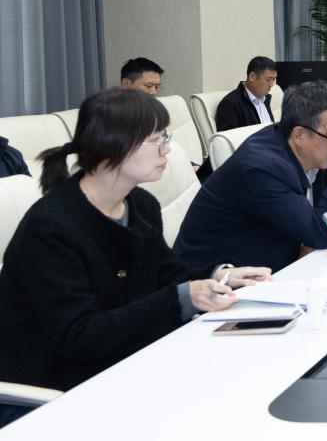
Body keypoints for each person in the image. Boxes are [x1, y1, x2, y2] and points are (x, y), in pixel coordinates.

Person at [0, 89, 269, 419]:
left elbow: (169, 277)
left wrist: (218, 275)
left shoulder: (141, 205)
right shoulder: (52, 228)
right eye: (156, 140)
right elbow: (79, 336)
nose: (167, 149)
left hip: (127, 367)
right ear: (113, 145)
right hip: (56, 393)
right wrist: (182, 297)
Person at [175, 81, 327, 273]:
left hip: (274, 269)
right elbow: (322, 232)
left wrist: (316, 237)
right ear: (299, 135)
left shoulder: (318, 149)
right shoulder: (261, 169)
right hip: (215, 281)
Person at [213, 56, 278, 131]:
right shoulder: (230, 104)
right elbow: (228, 137)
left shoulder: (264, 99)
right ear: (252, 77)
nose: (271, 84)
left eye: (274, 79)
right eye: (268, 80)